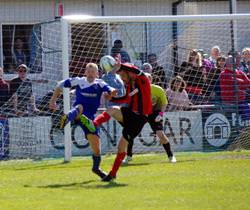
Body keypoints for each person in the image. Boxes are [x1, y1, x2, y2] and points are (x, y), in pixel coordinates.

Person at [83, 62, 152, 182]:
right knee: (113, 109)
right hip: (130, 114)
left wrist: (119, 65)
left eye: (123, 75)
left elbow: (135, 70)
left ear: (128, 73)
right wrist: (112, 98)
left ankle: (112, 173)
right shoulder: (129, 85)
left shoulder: (143, 80)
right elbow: (126, 98)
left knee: (121, 148)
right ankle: (93, 125)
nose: (122, 78)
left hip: (139, 119)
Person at [49, 62, 117, 179]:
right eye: (88, 71)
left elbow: (110, 90)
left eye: (93, 72)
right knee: (80, 107)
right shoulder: (79, 81)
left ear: (97, 73)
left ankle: (96, 169)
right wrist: (52, 101)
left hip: (90, 119)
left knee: (96, 147)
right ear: (85, 72)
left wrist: (112, 93)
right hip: (77, 114)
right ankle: (68, 117)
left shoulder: (100, 83)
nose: (90, 74)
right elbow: (59, 85)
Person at [123, 73, 176, 164]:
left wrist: (161, 114)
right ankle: (128, 156)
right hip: (140, 113)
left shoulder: (158, 89)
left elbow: (164, 103)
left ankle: (171, 156)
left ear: (150, 80)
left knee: (161, 135)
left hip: (154, 113)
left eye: (146, 79)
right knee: (129, 135)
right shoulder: (136, 90)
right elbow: (128, 99)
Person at [217, 56, 250, 120]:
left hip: (241, 102)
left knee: (246, 117)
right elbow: (234, 82)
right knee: (232, 124)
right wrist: (241, 82)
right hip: (229, 104)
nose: (231, 63)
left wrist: (239, 83)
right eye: (229, 61)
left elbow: (248, 83)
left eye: (232, 61)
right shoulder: (223, 74)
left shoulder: (240, 72)